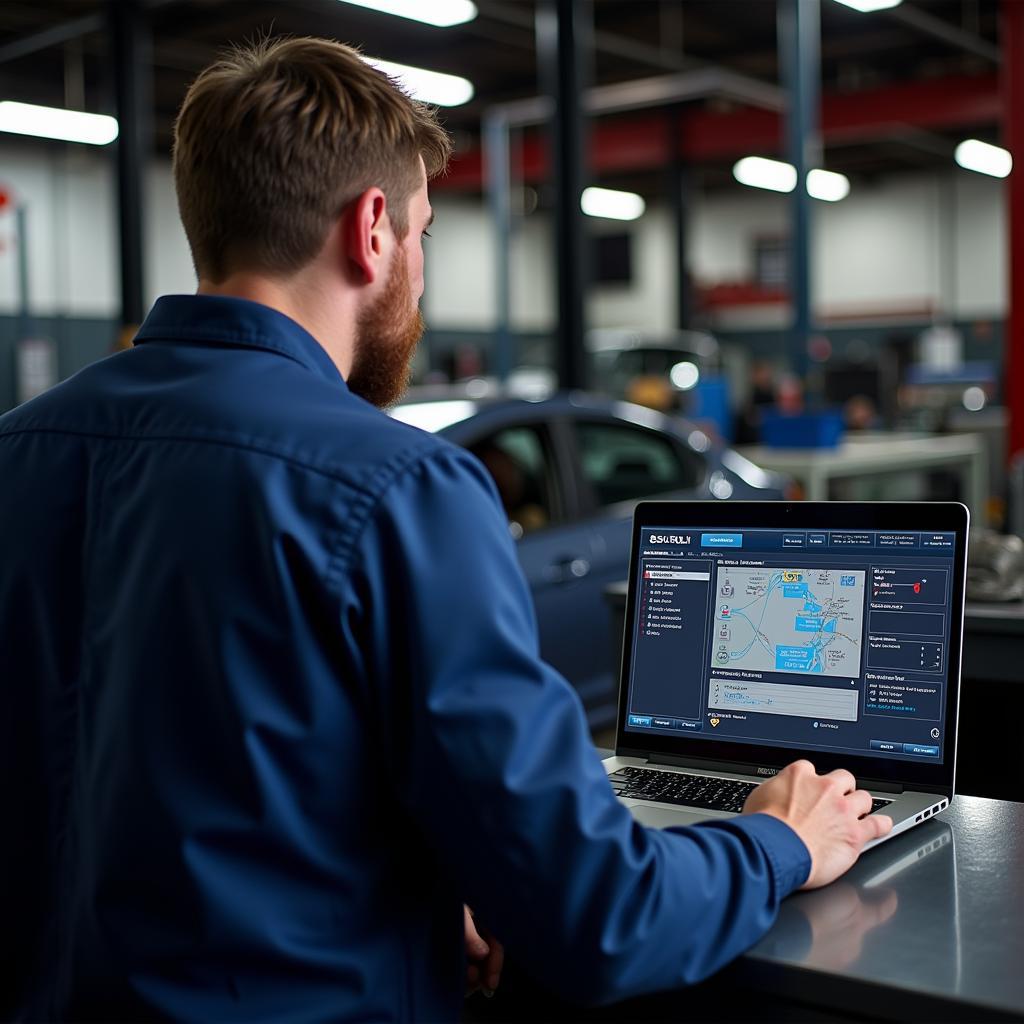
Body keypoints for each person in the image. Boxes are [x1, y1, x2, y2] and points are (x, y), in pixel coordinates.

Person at [0, 37, 891, 1022]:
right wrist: (777, 841)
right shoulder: (397, 488)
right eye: (424, 233)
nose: (419, 279)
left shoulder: (19, 450)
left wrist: (420, 893)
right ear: (372, 230)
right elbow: (604, 919)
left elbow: (177, 809)